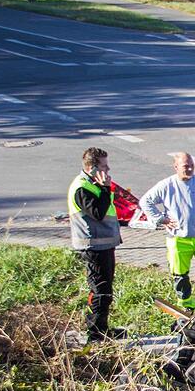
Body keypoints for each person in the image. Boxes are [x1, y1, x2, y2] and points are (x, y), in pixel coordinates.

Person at [139, 153, 195, 311]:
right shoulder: (166, 185)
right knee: (180, 275)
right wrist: (161, 219)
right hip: (177, 240)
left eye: (191, 165)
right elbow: (145, 201)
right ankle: (186, 306)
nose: (189, 169)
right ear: (176, 167)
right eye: (185, 166)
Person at [68, 147, 123, 342]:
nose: (108, 170)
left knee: (105, 289)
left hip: (103, 244)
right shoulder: (83, 188)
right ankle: (95, 332)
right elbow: (98, 213)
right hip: (93, 246)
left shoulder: (92, 185)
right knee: (99, 289)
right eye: (104, 166)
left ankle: (102, 328)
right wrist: (106, 189)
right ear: (91, 168)